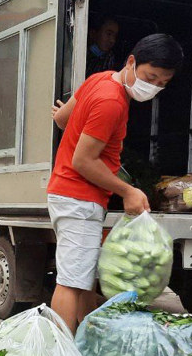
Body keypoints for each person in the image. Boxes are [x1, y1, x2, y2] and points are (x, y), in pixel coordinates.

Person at [48, 34, 184, 332]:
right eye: (150, 77)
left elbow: (62, 120)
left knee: (82, 279)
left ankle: (84, 340)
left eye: (162, 83)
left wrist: (71, 117)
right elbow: (83, 161)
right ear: (132, 62)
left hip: (71, 194)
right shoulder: (112, 101)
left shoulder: (99, 80)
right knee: (71, 282)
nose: (154, 87)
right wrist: (127, 190)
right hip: (78, 196)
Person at [53, 16, 121, 127]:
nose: (112, 40)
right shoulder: (73, 52)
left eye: (115, 36)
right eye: (108, 34)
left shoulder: (109, 59)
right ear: (93, 33)